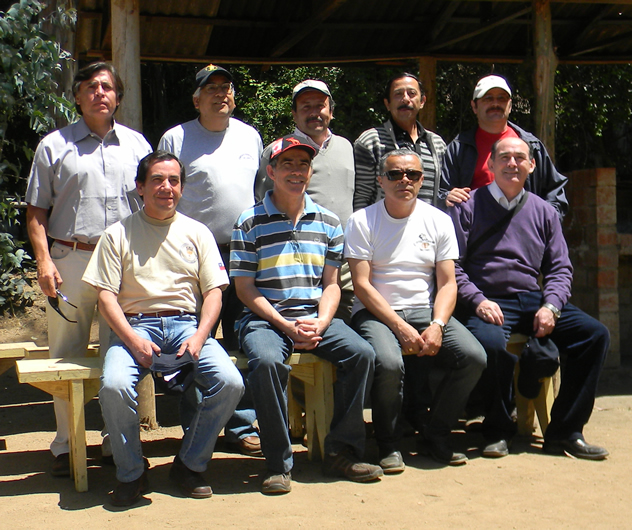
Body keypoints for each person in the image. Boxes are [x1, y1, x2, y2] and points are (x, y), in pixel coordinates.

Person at [82, 151, 244, 506]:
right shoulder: (117, 234)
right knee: (114, 386)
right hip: (135, 327)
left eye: (174, 180)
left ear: (182, 188)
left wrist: (201, 336)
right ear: (140, 187)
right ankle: (131, 472)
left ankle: (189, 464)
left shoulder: (198, 232)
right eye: (157, 180)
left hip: (187, 326)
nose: (166, 187)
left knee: (230, 382)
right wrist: (132, 339)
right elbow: (105, 296)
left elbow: (214, 293)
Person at [231, 135, 382, 495]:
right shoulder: (249, 222)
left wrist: (323, 321)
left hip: (315, 317)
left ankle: (341, 452)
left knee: (362, 354)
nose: (296, 171)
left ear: (311, 172)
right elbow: (244, 289)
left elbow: (331, 284)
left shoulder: (329, 222)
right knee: (267, 362)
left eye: (304, 164)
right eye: (288, 164)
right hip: (265, 320)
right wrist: (283, 324)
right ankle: (278, 463)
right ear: (271, 171)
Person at [25, 61, 152, 477]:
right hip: (70, 258)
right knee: (66, 355)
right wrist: (43, 260)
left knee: (124, 352)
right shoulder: (53, 145)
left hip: (124, 263)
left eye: (107, 87)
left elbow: (153, 206)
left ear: (118, 97)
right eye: (91, 87)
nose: (100, 93)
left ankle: (119, 443)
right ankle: (66, 445)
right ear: (77, 97)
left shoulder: (137, 146)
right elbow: (36, 210)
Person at [450, 137, 609, 460]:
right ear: (490, 165)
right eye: (504, 157)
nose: (513, 163)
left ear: (532, 165)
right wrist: (478, 301)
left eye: (520, 158)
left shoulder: (544, 212)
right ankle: (498, 429)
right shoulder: (467, 207)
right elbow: (451, 266)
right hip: (487, 300)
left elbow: (560, 268)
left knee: (594, 335)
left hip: (533, 298)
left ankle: (565, 432)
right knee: (491, 345)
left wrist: (551, 306)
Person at [345, 149, 486, 470]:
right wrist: (399, 326)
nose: (404, 180)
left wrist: (438, 324)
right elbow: (362, 285)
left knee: (474, 357)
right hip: (376, 312)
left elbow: (447, 283)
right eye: (395, 174)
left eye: (413, 175)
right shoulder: (362, 221)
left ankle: (435, 434)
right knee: (389, 363)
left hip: (425, 309)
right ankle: (388, 443)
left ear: (423, 181)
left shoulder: (438, 220)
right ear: (381, 180)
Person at [158, 64, 263, 456]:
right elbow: (164, 191)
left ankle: (241, 425)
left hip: (244, 251)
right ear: (196, 99)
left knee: (241, 337)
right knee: (192, 338)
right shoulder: (176, 137)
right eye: (211, 88)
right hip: (192, 254)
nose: (221, 93)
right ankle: (196, 425)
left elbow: (259, 190)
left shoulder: (250, 136)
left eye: (226, 86)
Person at [255, 79, 355, 321]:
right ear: (294, 114)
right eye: (305, 107)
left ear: (331, 110)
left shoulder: (346, 146)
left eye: (320, 106)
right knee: (299, 329)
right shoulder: (277, 151)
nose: (314, 113)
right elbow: (264, 203)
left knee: (343, 328)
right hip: (299, 261)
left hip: (344, 261)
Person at [441, 74, 568, 217]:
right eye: (488, 98)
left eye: (502, 98)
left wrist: (546, 220)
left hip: (523, 227)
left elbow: (555, 192)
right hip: (475, 227)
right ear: (474, 106)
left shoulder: (531, 145)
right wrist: (447, 197)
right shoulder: (459, 148)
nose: (495, 104)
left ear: (510, 105)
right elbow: (441, 192)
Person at [353, 72, 447, 210]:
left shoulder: (437, 144)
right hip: (383, 223)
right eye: (398, 94)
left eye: (412, 93)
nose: (405, 99)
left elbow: (440, 192)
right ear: (387, 103)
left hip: (426, 223)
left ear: (422, 101)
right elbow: (362, 195)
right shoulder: (371, 142)